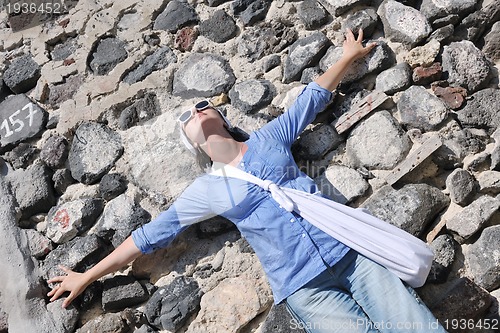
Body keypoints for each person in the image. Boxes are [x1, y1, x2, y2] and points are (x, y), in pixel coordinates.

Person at [48, 29, 447, 333]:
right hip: (303, 285)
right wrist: (87, 275)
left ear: (223, 119)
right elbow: (151, 235)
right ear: (192, 144)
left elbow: (309, 99)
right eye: (187, 116)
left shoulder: (268, 139)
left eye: (203, 105)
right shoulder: (205, 191)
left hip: (349, 252)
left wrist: (346, 58)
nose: (196, 111)